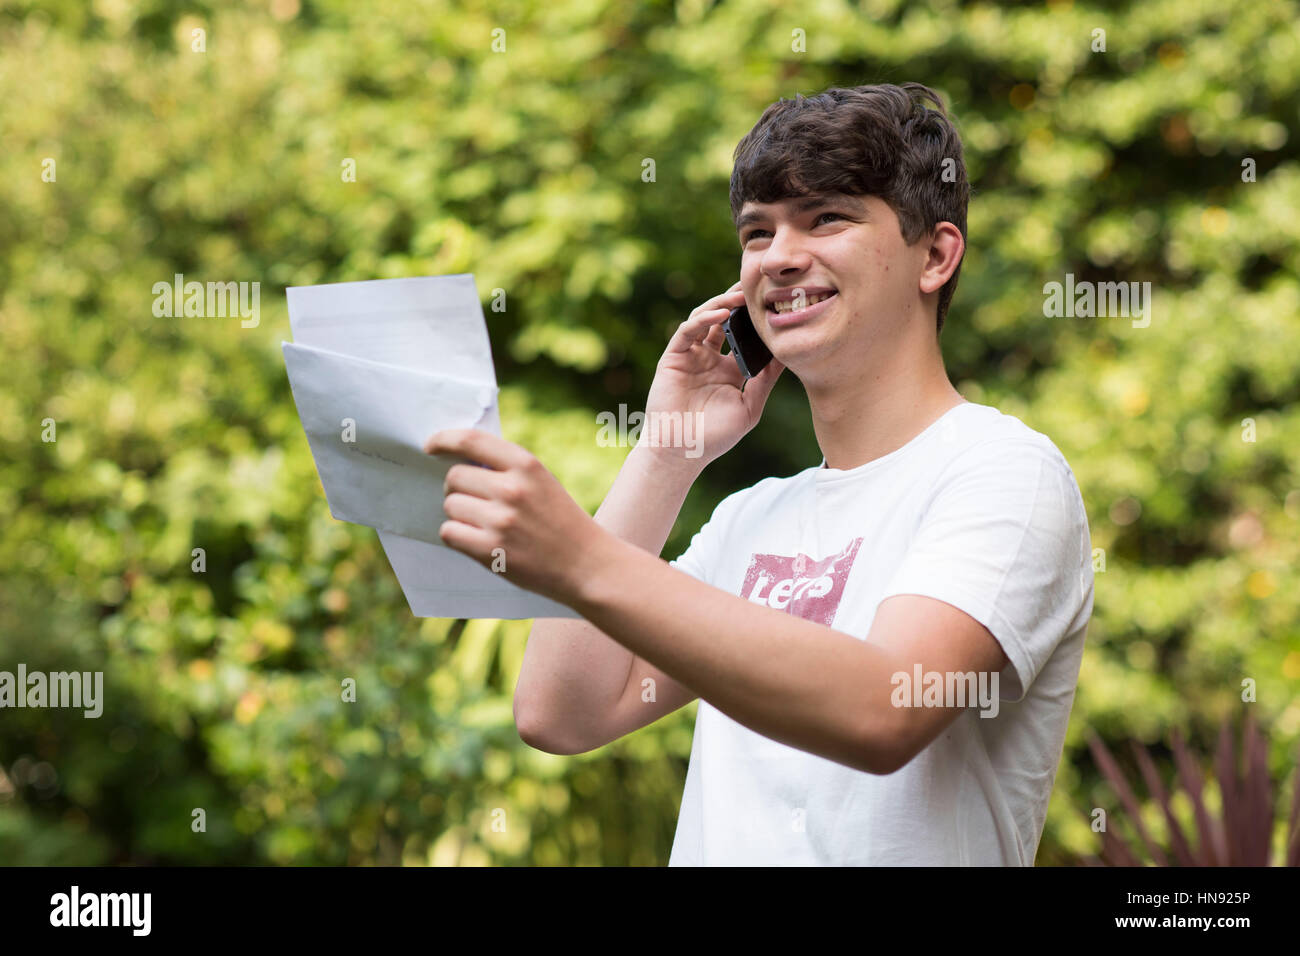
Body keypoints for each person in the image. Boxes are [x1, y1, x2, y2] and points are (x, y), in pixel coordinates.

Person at [424, 82, 1094, 865]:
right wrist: (667, 451)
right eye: (757, 232)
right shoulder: (752, 517)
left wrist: (579, 558)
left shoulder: (1003, 472)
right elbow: (562, 712)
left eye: (827, 218)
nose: (778, 257)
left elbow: (884, 711)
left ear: (936, 256)